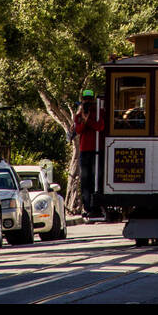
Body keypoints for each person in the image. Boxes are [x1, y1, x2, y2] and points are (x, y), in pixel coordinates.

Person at [73, 89, 104, 219]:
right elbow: (78, 130)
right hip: (85, 151)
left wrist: (89, 120)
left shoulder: (99, 112)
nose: (88, 103)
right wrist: (83, 119)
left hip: (98, 150)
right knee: (85, 181)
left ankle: (97, 206)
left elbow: (100, 127)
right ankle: (87, 207)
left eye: (90, 100)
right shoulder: (79, 115)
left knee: (97, 179)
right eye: (85, 100)